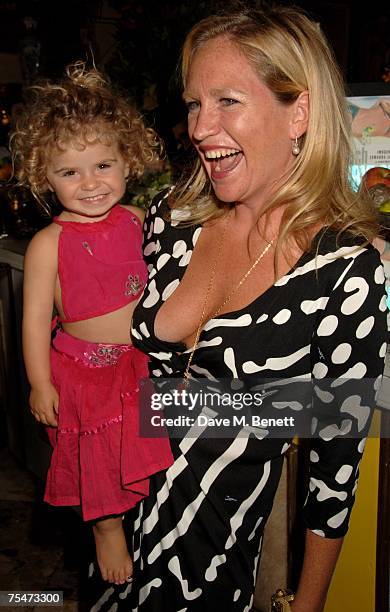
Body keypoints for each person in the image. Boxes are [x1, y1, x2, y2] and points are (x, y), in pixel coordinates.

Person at [92, 5, 387, 612]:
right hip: (112, 541)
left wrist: (307, 606)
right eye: (195, 104)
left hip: (207, 573)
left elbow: (334, 470)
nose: (201, 128)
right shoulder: (171, 220)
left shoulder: (346, 273)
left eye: (227, 101)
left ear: (298, 111)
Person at [9, 61, 173, 586]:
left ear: (128, 160)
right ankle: (106, 528)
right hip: (85, 373)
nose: (91, 184)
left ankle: (152, 515)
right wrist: (39, 382)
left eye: (103, 165)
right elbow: (34, 321)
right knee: (97, 459)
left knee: (140, 448)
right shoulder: (47, 244)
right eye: (69, 172)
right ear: (44, 176)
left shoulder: (138, 220)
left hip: (138, 361)